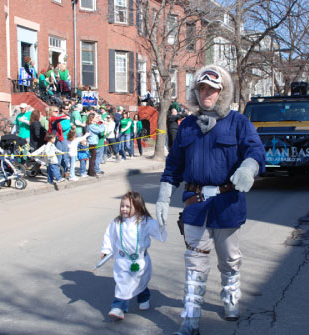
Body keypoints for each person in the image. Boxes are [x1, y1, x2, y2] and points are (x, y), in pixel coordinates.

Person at [155, 65, 266, 335]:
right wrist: (163, 194)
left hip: (227, 205)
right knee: (195, 263)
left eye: (212, 89)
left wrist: (248, 167)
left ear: (222, 92)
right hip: (195, 205)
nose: (207, 93)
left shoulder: (239, 122)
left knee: (229, 260)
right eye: (202, 88)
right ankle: (190, 319)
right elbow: (174, 164)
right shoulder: (187, 126)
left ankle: (230, 298)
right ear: (196, 92)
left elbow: (256, 151)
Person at [100, 191, 167, 320]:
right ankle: (118, 307)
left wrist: (161, 222)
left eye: (127, 206)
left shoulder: (145, 222)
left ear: (138, 207)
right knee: (123, 284)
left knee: (140, 282)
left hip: (140, 260)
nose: (123, 209)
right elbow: (109, 236)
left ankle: (143, 298)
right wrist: (106, 249)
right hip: (123, 261)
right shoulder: (117, 222)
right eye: (122, 206)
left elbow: (158, 229)